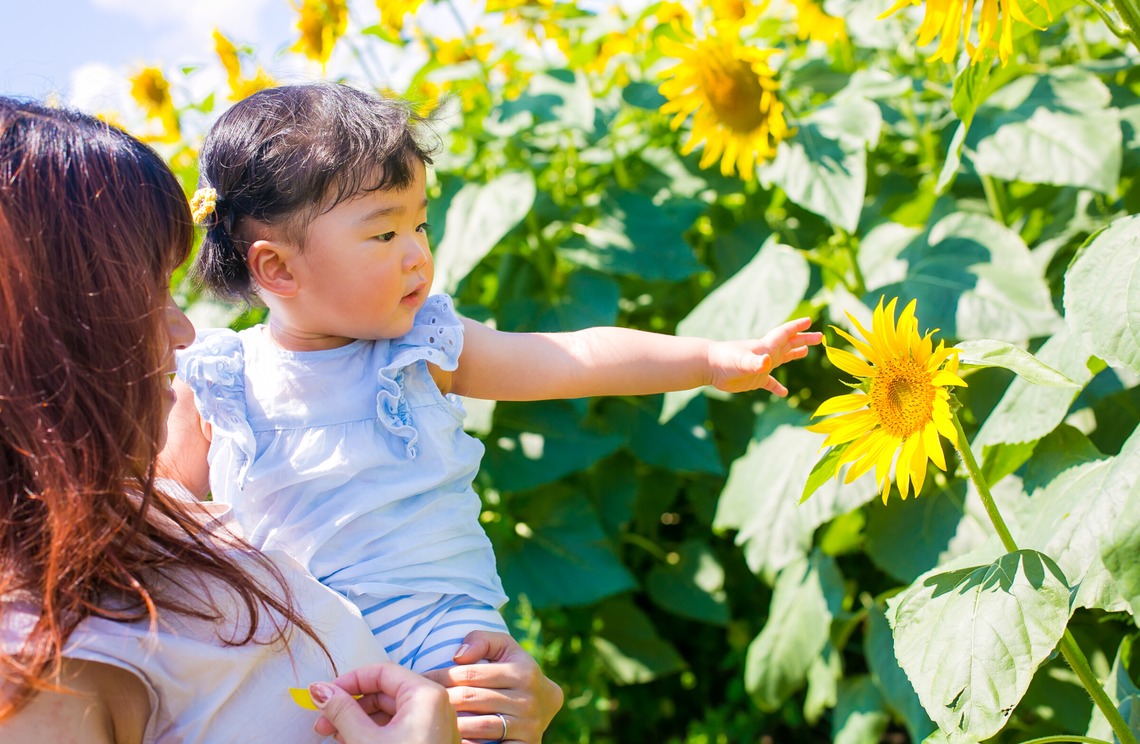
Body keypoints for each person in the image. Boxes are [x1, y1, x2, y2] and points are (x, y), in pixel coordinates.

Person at [160, 81, 822, 676]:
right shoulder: (220, 382)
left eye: (420, 224)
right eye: (385, 235)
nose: (419, 254)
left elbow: (573, 356)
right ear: (277, 269)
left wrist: (708, 360)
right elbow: (162, 519)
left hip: (444, 641)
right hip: (296, 657)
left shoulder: (422, 348)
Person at [0, 96, 561, 744]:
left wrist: (512, 704)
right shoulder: (39, 681)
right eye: (144, 296)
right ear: (37, 336)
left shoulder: (150, 523)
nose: (184, 333)